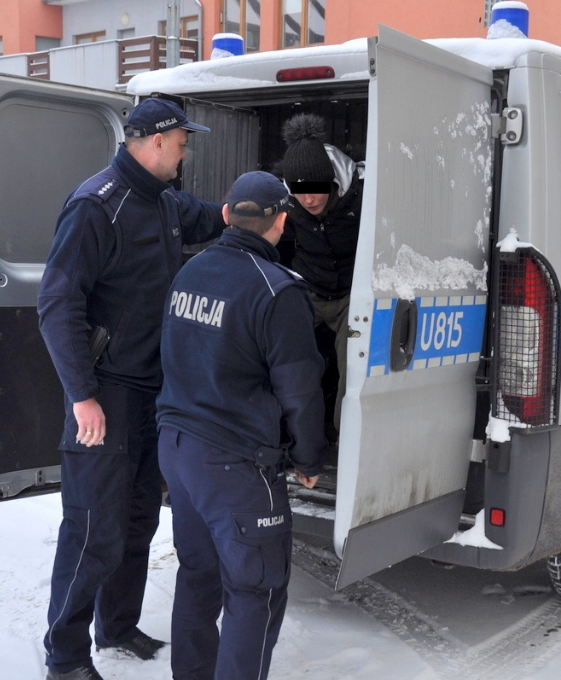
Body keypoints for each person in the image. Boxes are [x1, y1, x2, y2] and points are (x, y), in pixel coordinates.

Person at [37, 97, 227, 680]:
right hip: (106, 393)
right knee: (93, 527)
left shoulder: (163, 200)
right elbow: (57, 303)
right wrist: (82, 394)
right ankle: (65, 658)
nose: (186, 150)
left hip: (152, 393)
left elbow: (206, 216)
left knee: (141, 518)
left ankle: (116, 626)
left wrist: (248, 208)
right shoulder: (97, 207)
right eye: (182, 141)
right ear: (153, 141)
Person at [156, 171, 326, 680]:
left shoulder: (190, 271)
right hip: (235, 466)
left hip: (179, 450)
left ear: (227, 214)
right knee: (258, 589)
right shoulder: (278, 291)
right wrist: (309, 458)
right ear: (280, 222)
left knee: (199, 575)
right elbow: (300, 390)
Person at [278, 112, 365, 436]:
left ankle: (347, 448)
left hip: (350, 299)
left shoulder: (363, 197)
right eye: (300, 190)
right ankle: (284, 440)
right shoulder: (285, 203)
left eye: (317, 189)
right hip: (308, 291)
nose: (309, 198)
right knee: (285, 362)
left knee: (353, 371)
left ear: (333, 182)